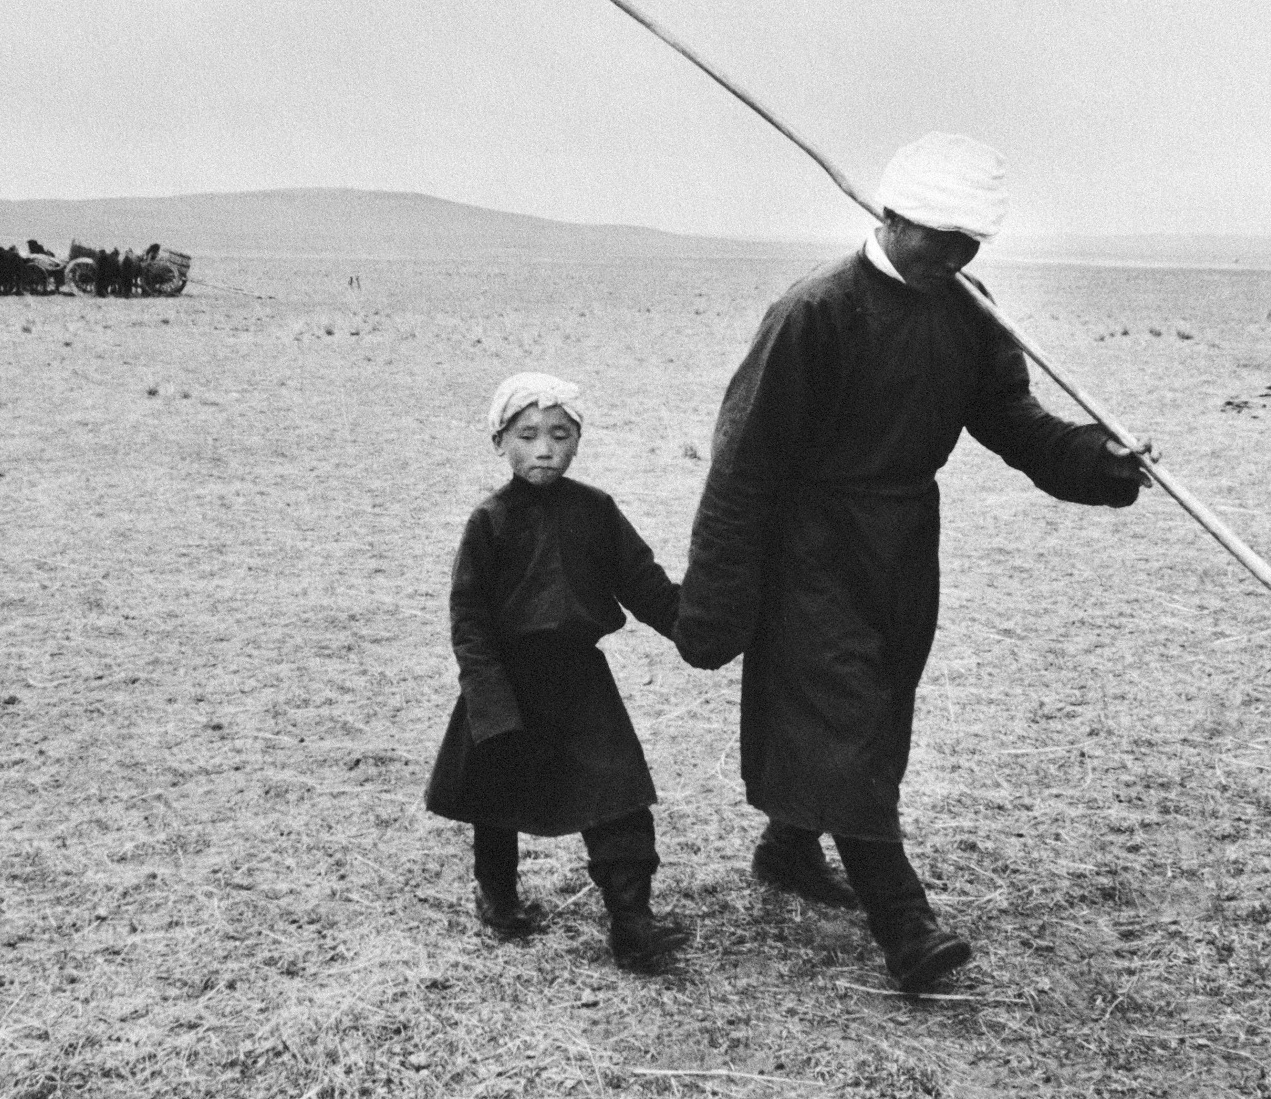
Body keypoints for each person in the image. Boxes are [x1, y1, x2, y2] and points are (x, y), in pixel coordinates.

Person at [672, 133, 1153, 994]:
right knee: (843, 711)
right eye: (943, 234)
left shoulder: (970, 308)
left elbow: (1010, 419)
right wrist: (714, 599)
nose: (959, 253)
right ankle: (905, 926)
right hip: (808, 542)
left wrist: (1096, 461)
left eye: (974, 240)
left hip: (900, 541)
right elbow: (742, 462)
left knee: (879, 704)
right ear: (890, 215)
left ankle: (786, 847)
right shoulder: (812, 312)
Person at [425, 372, 690, 971]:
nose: (544, 448)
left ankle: (632, 920)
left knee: (617, 792)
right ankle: (498, 897)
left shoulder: (595, 511)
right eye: (527, 434)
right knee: (496, 798)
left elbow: (643, 584)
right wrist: (488, 700)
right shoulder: (488, 522)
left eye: (560, 434)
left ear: (578, 441)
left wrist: (694, 627)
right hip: (507, 681)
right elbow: (469, 619)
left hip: (580, 679)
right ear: (499, 441)